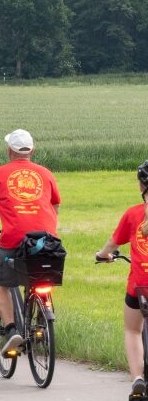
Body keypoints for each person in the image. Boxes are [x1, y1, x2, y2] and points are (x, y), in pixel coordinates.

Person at [0, 129, 61, 358]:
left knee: (0, 283)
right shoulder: (45, 174)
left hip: (14, 240)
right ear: (32, 150)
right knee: (39, 274)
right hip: (47, 240)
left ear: (10, 151)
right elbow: (55, 206)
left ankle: (11, 330)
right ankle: (41, 317)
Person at [94, 161, 148, 396]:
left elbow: (112, 244)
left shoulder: (133, 214)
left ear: (141, 186)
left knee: (133, 330)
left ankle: (137, 378)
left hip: (140, 287)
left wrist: (103, 255)